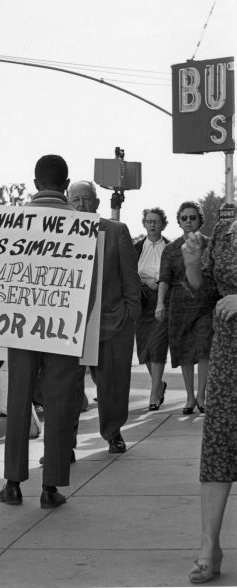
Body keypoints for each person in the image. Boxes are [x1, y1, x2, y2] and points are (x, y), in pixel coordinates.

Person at [0, 155, 86, 510]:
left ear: (34, 185)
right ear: (66, 185)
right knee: (60, 402)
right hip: (65, 326)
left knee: (19, 399)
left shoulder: (10, 223)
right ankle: (50, 487)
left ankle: (13, 483)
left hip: (20, 325)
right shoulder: (82, 226)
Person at [68, 181, 141, 453]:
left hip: (112, 321)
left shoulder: (116, 231)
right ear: (68, 201)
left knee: (113, 383)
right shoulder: (58, 233)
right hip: (69, 327)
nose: (82, 205)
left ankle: (113, 432)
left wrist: (129, 313)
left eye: (87, 199)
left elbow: (130, 279)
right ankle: (65, 442)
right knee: (67, 387)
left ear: (97, 202)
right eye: (76, 199)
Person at [182, 219, 236, 583]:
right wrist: (191, 261)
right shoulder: (226, 232)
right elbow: (203, 291)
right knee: (218, 444)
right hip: (230, 351)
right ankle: (208, 548)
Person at [156, 202, 217, 414]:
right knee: (184, 351)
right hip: (179, 303)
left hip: (206, 303)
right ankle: (189, 396)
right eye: (184, 218)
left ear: (201, 220)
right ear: (179, 221)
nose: (189, 221)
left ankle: (202, 396)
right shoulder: (171, 249)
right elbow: (164, 278)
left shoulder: (211, 244)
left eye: (193, 217)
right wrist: (159, 304)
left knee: (203, 348)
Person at [134, 208, 170, 410]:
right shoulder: (137, 248)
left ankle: (154, 391)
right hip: (143, 300)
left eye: (156, 221)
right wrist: (146, 280)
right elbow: (129, 273)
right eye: (149, 221)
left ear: (163, 224)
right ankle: (159, 383)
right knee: (145, 349)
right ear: (144, 224)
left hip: (163, 300)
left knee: (157, 346)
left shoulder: (170, 247)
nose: (152, 224)